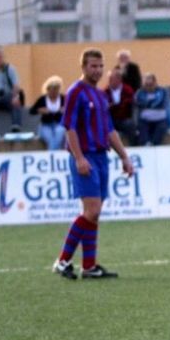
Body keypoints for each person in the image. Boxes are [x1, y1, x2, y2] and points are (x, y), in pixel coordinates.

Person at [51, 48, 135, 280]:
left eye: (100, 66)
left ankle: (89, 266)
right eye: (93, 66)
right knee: (92, 210)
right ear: (83, 67)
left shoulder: (100, 95)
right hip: (86, 156)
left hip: (101, 157)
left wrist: (124, 157)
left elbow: (109, 130)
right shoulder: (75, 92)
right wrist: (79, 158)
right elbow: (69, 128)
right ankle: (62, 261)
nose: (97, 70)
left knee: (94, 214)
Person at [134, 73, 170, 146]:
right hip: (145, 120)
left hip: (160, 119)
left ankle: (154, 144)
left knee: (161, 128)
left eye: (151, 84)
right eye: (147, 85)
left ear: (155, 83)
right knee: (142, 128)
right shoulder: (140, 92)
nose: (149, 87)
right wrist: (152, 103)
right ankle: (145, 144)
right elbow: (138, 103)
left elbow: (163, 104)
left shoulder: (162, 91)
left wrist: (148, 104)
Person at [29, 76, 67, 151]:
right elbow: (32, 111)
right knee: (49, 138)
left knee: (59, 134)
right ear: (48, 90)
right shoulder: (42, 99)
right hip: (45, 125)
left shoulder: (63, 99)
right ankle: (54, 154)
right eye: (52, 90)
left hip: (59, 124)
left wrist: (65, 110)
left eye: (56, 89)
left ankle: (52, 153)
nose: (54, 92)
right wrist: (40, 110)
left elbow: (72, 110)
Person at [106, 68, 137, 145]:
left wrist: (114, 106)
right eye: (109, 79)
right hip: (111, 119)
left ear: (119, 79)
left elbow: (129, 103)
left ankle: (134, 145)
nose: (109, 81)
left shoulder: (128, 90)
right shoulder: (105, 91)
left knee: (130, 125)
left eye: (111, 79)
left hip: (124, 118)